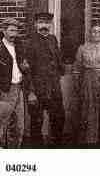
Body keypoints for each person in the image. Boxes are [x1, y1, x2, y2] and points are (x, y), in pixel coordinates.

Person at [25, 12, 65, 147]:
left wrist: (60, 71)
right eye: (41, 22)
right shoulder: (29, 41)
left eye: (47, 23)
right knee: (37, 121)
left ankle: (56, 147)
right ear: (35, 24)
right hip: (37, 88)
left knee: (58, 117)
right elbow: (27, 69)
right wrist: (30, 92)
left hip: (54, 87)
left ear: (51, 25)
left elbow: (58, 60)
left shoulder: (53, 39)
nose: (44, 26)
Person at [0, 18, 34, 148]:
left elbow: (25, 68)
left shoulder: (19, 46)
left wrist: (25, 68)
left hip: (19, 88)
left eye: (16, 30)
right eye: (11, 30)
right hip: (4, 91)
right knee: (3, 124)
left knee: (19, 125)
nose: (14, 34)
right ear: (3, 31)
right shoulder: (0, 48)